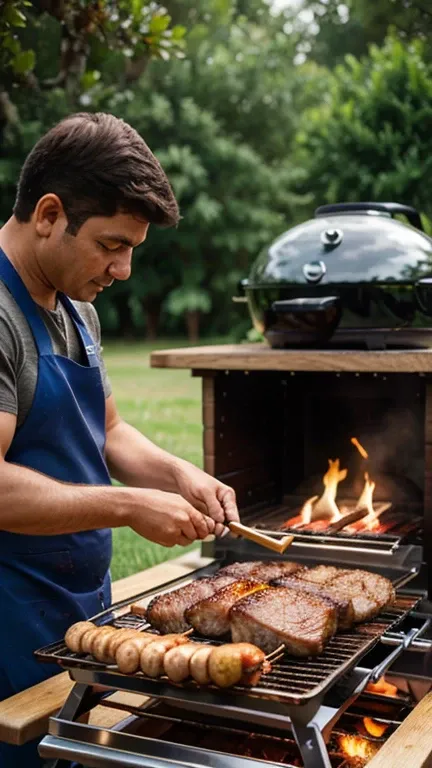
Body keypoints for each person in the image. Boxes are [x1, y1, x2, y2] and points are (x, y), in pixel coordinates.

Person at [0, 112, 239, 767]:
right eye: (111, 244)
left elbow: (107, 430)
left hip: (78, 606)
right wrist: (130, 506)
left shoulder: (78, 304)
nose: (125, 269)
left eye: (132, 248)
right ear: (49, 214)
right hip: (7, 615)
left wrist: (177, 474)